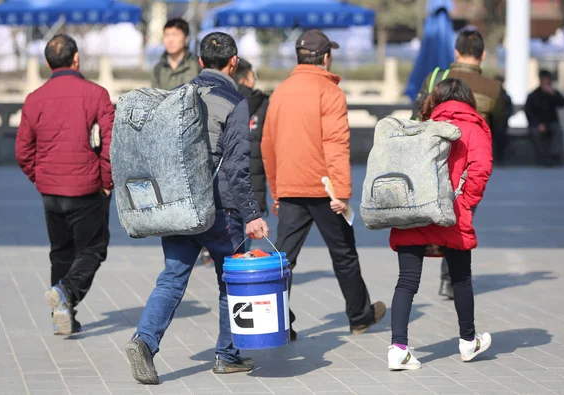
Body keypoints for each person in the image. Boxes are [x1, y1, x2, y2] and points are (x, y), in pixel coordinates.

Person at [126, 32, 269, 385]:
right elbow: (237, 166)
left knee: (172, 279)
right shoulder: (236, 102)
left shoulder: (178, 96)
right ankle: (227, 354)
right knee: (230, 282)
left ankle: (144, 342)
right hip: (222, 212)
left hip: (181, 205)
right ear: (233, 63)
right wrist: (252, 214)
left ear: (201, 61)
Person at [261, 29, 386, 342]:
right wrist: (342, 194)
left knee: (283, 260)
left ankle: (278, 323)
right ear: (326, 57)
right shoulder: (329, 92)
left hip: (290, 188)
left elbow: (267, 145)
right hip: (325, 190)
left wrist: (277, 191)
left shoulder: (281, 92)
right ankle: (359, 316)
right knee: (343, 254)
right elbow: (336, 144)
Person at [388, 79, 493, 370]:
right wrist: (465, 203)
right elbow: (481, 169)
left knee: (407, 281)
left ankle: (398, 349)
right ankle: (468, 341)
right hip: (452, 213)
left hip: (414, 211)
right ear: (467, 99)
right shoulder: (474, 127)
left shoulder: (423, 124)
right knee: (461, 278)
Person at [15, 34, 114, 336]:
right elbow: (111, 143)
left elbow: (22, 151)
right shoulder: (96, 94)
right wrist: (107, 180)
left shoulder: (35, 99)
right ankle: (66, 292)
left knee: (60, 251)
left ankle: (63, 314)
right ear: (76, 58)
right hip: (86, 189)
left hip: (50, 192)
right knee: (93, 249)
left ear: (47, 63)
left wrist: (39, 176)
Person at [412, 26, 508, 300]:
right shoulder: (493, 88)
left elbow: (416, 114)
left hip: (432, 161)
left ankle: (413, 275)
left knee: (430, 215)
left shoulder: (436, 78)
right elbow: (499, 124)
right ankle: (450, 280)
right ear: (483, 55)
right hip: (469, 164)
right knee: (462, 217)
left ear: (456, 51)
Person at [234, 58, 269, 250]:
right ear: (244, 79)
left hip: (228, 181)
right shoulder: (263, 103)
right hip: (254, 180)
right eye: (252, 77)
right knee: (245, 235)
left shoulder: (224, 99)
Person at [525, 69, 564, 167]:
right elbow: (529, 112)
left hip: (552, 122)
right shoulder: (533, 95)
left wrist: (554, 94)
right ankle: (543, 157)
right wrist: (538, 124)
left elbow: (563, 104)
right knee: (535, 133)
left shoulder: (553, 93)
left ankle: (554, 157)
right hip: (537, 124)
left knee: (558, 132)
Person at [152, 18, 201, 90]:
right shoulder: (158, 69)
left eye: (175, 35)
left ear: (186, 38)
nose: (170, 40)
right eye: (167, 35)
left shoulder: (198, 65)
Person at [492, 75, 514, 165]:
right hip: (491, 124)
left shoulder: (506, 96)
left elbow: (509, 110)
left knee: (501, 138)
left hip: (502, 124)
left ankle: (500, 158)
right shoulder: (490, 95)